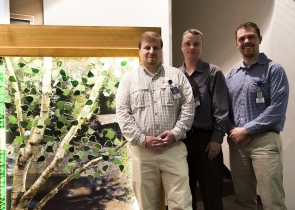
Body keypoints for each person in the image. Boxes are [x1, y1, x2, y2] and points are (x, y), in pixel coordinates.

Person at [116, 31, 195, 210]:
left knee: (181, 203)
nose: (151, 51)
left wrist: (175, 134)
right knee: (146, 205)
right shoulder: (128, 80)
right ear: (140, 51)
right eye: (147, 47)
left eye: (156, 47)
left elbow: (188, 107)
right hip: (142, 153)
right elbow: (122, 113)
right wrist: (143, 139)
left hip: (173, 150)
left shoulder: (177, 76)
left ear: (161, 51)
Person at [226, 22, 289, 210]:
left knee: (272, 201)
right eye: (242, 38)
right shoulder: (231, 75)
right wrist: (234, 131)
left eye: (251, 37)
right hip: (238, 146)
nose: (247, 41)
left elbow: (277, 109)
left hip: (265, 144)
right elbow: (224, 110)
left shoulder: (273, 69)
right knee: (243, 201)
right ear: (236, 43)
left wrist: (246, 130)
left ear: (259, 39)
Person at [179, 28, 230, 210]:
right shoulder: (174, 76)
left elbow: (222, 109)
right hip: (181, 140)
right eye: (188, 43)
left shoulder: (213, 73)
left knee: (212, 192)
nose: (191, 47)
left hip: (206, 140)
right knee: (185, 192)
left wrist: (217, 139)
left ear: (202, 47)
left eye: (196, 44)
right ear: (182, 47)